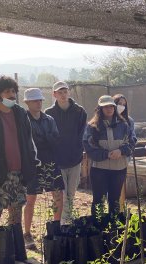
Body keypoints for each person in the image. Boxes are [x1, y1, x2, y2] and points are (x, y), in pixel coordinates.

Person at [0, 75, 38, 261]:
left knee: (16, 210)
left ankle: (14, 251)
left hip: (18, 171)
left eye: (14, 91)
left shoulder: (21, 113)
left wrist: (32, 162)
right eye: (8, 91)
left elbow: (28, 140)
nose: (12, 95)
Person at [22, 88, 64, 249]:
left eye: (40, 100)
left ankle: (56, 226)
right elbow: (25, 142)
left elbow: (56, 138)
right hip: (33, 164)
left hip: (51, 161)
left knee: (58, 194)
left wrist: (44, 141)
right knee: (31, 198)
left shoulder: (49, 119)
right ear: (27, 103)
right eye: (34, 101)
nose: (38, 103)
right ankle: (27, 233)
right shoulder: (23, 120)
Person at [83, 95, 136, 223]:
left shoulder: (124, 125)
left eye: (111, 106)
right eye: (105, 106)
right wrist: (106, 154)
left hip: (119, 170)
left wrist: (121, 151)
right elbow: (89, 147)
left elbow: (132, 141)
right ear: (100, 109)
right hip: (99, 170)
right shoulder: (92, 127)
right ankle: (97, 228)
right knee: (98, 201)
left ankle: (113, 229)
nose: (109, 109)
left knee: (115, 200)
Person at [45, 81, 87, 225]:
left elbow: (82, 133)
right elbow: (48, 136)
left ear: (69, 92)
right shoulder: (49, 113)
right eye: (59, 92)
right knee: (60, 194)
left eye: (65, 92)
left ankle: (67, 220)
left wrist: (79, 149)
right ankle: (63, 222)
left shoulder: (79, 111)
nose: (63, 95)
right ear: (54, 94)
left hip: (75, 158)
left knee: (71, 193)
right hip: (57, 160)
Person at [113, 94, 137, 208]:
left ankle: (119, 210)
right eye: (119, 104)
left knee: (119, 187)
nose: (121, 106)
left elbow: (132, 140)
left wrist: (122, 151)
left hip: (123, 158)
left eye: (124, 105)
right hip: (108, 158)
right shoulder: (107, 120)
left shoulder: (129, 121)